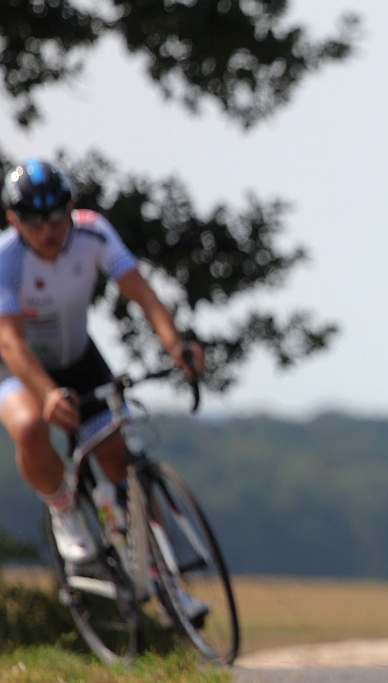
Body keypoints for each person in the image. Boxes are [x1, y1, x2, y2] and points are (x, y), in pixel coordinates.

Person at [0, 160, 206, 616]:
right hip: (17, 367)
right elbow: (10, 341)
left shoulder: (92, 233)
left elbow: (144, 295)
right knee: (32, 427)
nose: (49, 230)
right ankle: (64, 512)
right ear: (14, 221)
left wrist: (177, 346)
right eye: (34, 221)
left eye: (56, 216)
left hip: (78, 358)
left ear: (71, 208)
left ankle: (162, 579)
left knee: (117, 458)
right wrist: (48, 393)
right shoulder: (5, 259)